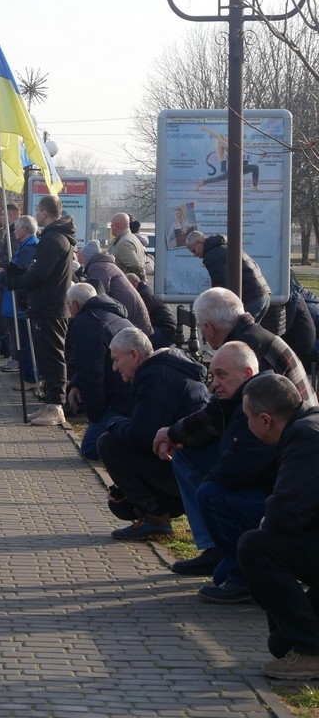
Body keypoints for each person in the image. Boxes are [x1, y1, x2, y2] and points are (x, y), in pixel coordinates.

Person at [155, 342, 275, 603]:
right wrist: (175, 436)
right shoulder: (241, 400)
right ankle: (228, 560)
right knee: (220, 575)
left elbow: (241, 469)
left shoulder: (258, 406)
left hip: (283, 506)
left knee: (211, 494)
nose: (214, 384)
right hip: (273, 497)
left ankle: (246, 579)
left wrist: (209, 484)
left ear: (247, 375)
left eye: (222, 375)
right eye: (212, 375)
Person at [236, 373, 319, 680]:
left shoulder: (305, 438)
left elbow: (287, 511)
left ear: (266, 420)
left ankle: (312, 651)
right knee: (280, 643)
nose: (247, 425)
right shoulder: (311, 424)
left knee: (254, 546)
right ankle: (305, 645)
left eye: (247, 417)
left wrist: (265, 522)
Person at [99, 328, 212, 540]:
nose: (114, 368)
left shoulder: (156, 376)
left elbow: (140, 436)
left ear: (134, 355)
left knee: (108, 443)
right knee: (121, 506)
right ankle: (155, 514)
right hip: (188, 462)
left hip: (188, 469)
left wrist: (113, 423)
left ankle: (155, 518)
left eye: (116, 360)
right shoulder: (162, 370)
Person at [6, 195, 77, 427]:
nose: (36, 214)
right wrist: (19, 271)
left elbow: (40, 273)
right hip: (46, 305)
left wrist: (16, 280)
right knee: (45, 356)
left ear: (45, 213)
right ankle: (49, 402)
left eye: (37, 210)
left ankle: (56, 404)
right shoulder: (54, 237)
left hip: (50, 307)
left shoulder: (53, 238)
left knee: (53, 355)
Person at [193, 286, 316, 407]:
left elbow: (230, 410)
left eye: (200, 326)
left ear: (209, 328)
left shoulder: (244, 350)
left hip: (294, 424)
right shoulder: (254, 335)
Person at [65, 283, 134, 460]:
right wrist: (75, 384)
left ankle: (134, 441)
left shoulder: (85, 323)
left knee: (90, 447)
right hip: (130, 390)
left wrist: (94, 415)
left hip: (122, 398)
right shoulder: (112, 314)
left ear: (74, 305)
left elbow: (91, 373)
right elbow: (93, 361)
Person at [186, 231, 272, 323]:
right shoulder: (224, 246)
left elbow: (220, 284)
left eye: (194, 251)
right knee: (249, 333)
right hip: (263, 294)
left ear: (200, 242)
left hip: (251, 297)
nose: (194, 255)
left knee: (236, 331)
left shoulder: (212, 255)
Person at [0, 214, 39, 383]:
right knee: (21, 339)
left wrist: (3, 275)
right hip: (13, 301)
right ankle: (25, 372)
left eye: (16, 227)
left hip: (21, 302)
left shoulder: (30, 247)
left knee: (26, 341)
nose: (14, 231)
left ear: (26, 229)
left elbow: (20, 272)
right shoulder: (24, 246)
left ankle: (29, 377)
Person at [78, 239, 152, 336]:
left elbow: (97, 297)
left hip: (133, 323)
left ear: (87, 257)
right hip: (135, 317)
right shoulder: (105, 264)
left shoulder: (98, 267)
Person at [127, 272, 176, 349]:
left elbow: (141, 318)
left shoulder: (144, 295)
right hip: (166, 329)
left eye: (128, 287)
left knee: (133, 339)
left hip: (164, 333)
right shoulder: (145, 290)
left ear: (134, 285)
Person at [109, 212, 147, 281]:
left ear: (117, 226)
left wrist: (141, 281)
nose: (111, 227)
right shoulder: (132, 238)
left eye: (111, 225)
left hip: (127, 285)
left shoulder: (124, 242)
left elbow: (136, 266)